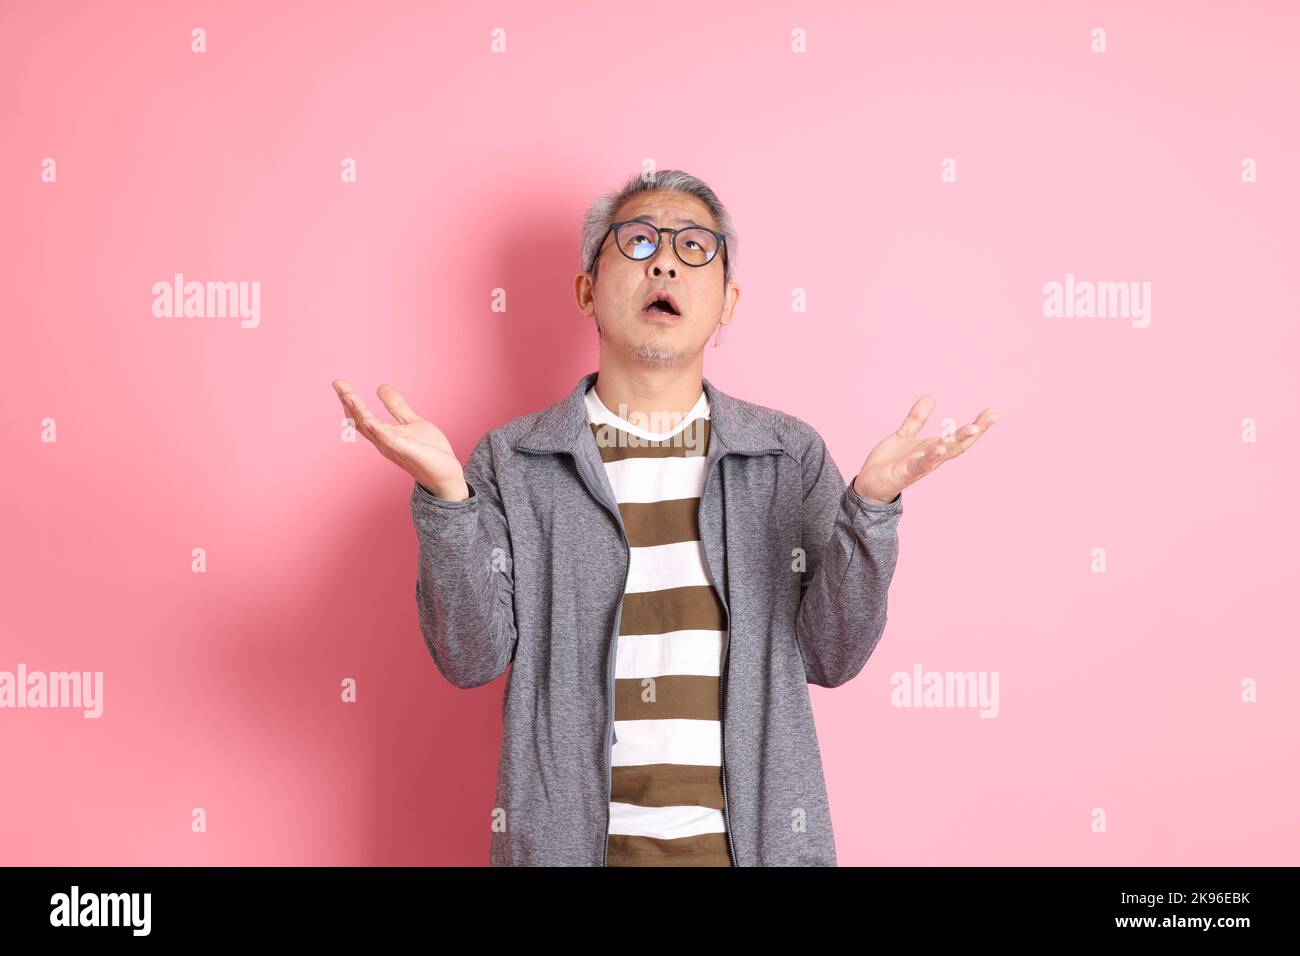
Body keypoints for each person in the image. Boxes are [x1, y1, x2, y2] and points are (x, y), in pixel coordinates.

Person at [331, 169, 997, 866]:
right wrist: (446, 498)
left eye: (694, 246)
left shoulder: (783, 455)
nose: (667, 260)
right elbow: (470, 658)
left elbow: (834, 656)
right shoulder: (514, 460)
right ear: (588, 289)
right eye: (639, 240)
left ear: (728, 302)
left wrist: (872, 508)